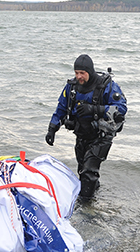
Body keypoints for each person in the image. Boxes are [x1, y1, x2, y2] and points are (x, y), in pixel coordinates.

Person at [45, 54, 127, 201]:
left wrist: (95, 109)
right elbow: (61, 108)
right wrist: (52, 129)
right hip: (82, 135)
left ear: (90, 71)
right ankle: (95, 198)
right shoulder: (72, 87)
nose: (79, 77)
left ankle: (86, 210)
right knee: (83, 172)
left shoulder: (106, 86)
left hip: (101, 136)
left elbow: (121, 108)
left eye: (82, 73)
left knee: (88, 173)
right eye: (76, 73)